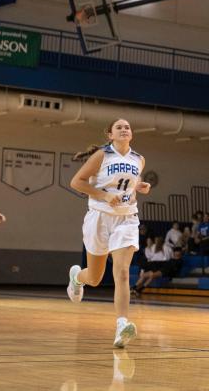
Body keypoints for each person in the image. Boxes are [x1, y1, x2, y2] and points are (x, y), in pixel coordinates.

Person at [66, 118, 152, 348]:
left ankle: (122, 324)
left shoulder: (138, 159)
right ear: (110, 135)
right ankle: (77, 277)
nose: (125, 129)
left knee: (122, 272)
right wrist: (104, 195)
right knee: (94, 278)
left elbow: (130, 183)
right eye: (119, 127)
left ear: (131, 134)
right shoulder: (101, 155)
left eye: (127, 127)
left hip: (126, 218)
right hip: (99, 217)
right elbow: (76, 182)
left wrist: (140, 186)